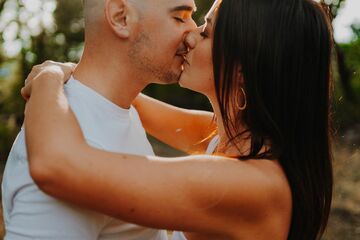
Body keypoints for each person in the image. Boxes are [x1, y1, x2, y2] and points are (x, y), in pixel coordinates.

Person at [22, 0, 334, 239]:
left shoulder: (250, 185)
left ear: (242, 69)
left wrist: (47, 80)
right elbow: (127, 95)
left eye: (207, 31)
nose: (191, 35)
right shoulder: (229, 138)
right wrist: (71, 68)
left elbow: (54, 165)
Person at [2, 0, 198, 239]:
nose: (194, 32)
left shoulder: (119, 108)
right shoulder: (72, 145)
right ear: (120, 17)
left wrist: (50, 76)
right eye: (180, 17)